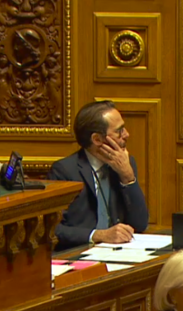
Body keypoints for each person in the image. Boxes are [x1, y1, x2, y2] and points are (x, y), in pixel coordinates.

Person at [48, 100, 148, 250]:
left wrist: (128, 178)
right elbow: (52, 230)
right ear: (97, 139)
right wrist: (98, 235)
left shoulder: (126, 164)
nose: (127, 135)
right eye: (119, 131)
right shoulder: (65, 171)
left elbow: (140, 224)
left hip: (121, 252)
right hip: (80, 254)